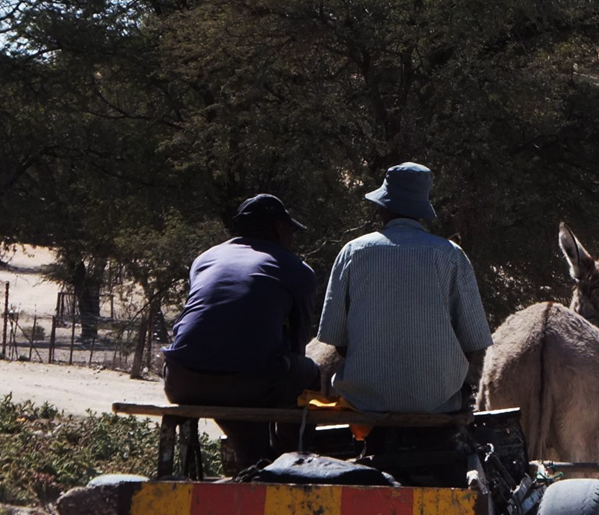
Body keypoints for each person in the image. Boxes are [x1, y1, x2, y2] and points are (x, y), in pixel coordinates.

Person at [317, 163, 492, 414]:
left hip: (364, 404)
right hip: (438, 403)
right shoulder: (451, 255)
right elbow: (472, 345)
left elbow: (338, 343)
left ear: (383, 206)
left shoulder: (353, 253)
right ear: (421, 209)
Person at [163, 193, 321, 469]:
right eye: (290, 230)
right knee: (308, 373)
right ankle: (292, 464)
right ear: (278, 227)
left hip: (180, 382)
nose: (292, 238)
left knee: (238, 373)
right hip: (250, 385)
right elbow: (298, 344)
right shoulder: (296, 269)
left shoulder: (205, 259)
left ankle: (257, 459)